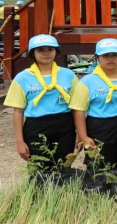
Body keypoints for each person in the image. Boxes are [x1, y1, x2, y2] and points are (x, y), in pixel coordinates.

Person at [4, 35, 77, 167]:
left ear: (57, 51)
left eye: (50, 49)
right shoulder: (22, 78)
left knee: (64, 166)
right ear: (33, 53)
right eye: (40, 50)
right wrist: (20, 141)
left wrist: (80, 134)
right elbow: (18, 112)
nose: (46, 53)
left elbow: (77, 108)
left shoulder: (68, 75)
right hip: (36, 126)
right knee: (39, 168)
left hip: (65, 125)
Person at [69, 38, 117, 165]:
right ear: (97, 58)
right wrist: (84, 137)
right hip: (100, 128)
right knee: (100, 166)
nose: (110, 59)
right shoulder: (87, 81)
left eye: (114, 55)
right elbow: (79, 111)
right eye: (105, 55)